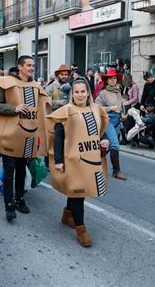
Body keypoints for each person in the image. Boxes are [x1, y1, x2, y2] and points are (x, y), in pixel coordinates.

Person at [0, 55, 49, 222]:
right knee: (9, 172)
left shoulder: (36, 86)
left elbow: (43, 108)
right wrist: (14, 108)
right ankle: (9, 205)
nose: (32, 68)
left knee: (21, 170)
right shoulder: (6, 83)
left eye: (33, 65)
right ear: (20, 67)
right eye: (28, 65)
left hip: (29, 136)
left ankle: (19, 199)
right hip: (10, 136)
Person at [46, 79, 109, 247]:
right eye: (76, 92)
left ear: (88, 92)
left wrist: (104, 142)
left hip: (91, 159)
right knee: (78, 194)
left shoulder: (97, 109)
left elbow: (99, 133)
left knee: (78, 191)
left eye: (83, 91)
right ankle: (82, 230)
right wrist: (58, 160)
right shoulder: (66, 111)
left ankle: (67, 215)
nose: (80, 95)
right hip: (72, 160)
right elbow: (58, 137)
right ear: (72, 94)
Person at [95, 68, 126, 180]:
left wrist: (122, 114)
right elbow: (96, 107)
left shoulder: (118, 91)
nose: (113, 80)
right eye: (110, 78)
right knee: (115, 144)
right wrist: (110, 108)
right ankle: (116, 171)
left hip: (117, 121)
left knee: (107, 146)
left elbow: (119, 106)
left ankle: (93, 162)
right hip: (108, 120)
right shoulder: (103, 93)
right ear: (106, 81)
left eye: (114, 78)